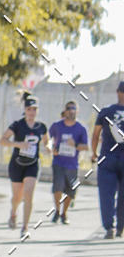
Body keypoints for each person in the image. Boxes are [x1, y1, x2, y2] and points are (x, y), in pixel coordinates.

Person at [0, 93, 49, 239]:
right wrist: (17, 144)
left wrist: (49, 147)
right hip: (17, 164)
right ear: (25, 110)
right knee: (17, 197)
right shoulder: (17, 125)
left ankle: (25, 227)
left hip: (33, 164)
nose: (32, 112)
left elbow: (47, 140)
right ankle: (13, 213)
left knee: (28, 194)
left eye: (34, 109)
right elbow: (2, 140)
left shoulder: (42, 126)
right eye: (29, 109)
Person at [90, 80, 124, 238]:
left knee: (106, 194)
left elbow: (96, 135)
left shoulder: (105, 112)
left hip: (107, 158)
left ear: (118, 92)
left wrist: (94, 153)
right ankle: (120, 228)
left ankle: (109, 227)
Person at [49, 101, 88, 224]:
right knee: (58, 187)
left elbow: (86, 147)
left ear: (77, 111)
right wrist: (51, 149)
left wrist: (75, 145)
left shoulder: (81, 128)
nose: (71, 110)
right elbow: (48, 140)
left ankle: (64, 213)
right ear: (65, 111)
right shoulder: (57, 126)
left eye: (73, 108)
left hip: (72, 164)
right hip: (58, 162)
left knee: (70, 191)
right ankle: (56, 211)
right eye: (69, 108)